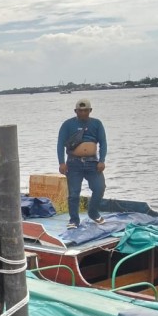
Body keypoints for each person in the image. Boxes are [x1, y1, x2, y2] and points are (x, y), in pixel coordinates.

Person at [57, 98, 108, 229]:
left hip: (92, 162)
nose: (83, 113)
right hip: (74, 163)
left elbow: (103, 143)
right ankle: (74, 220)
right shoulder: (67, 124)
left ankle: (93, 212)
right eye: (80, 111)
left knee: (99, 187)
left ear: (90, 111)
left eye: (86, 110)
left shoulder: (97, 124)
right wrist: (61, 162)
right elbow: (60, 144)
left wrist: (102, 160)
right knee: (74, 193)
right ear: (76, 111)